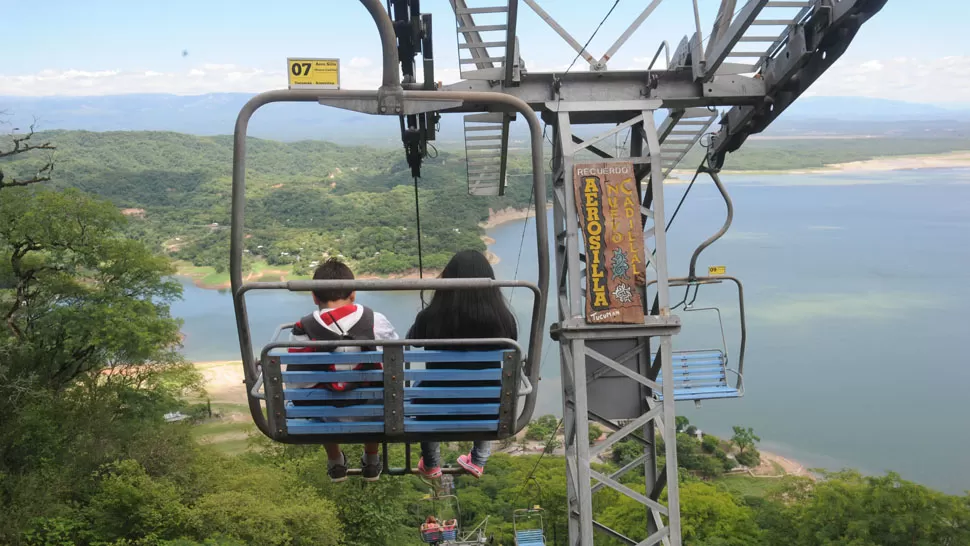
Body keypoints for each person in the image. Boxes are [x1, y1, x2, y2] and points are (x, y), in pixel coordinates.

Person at [407, 250, 517, 479]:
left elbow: (411, 340)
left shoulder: (431, 316)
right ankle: (478, 460)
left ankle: (431, 463)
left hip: (435, 405)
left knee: (423, 388)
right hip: (486, 406)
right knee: (490, 386)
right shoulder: (503, 318)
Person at [287, 258, 398, 482]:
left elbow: (297, 382)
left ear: (314, 296)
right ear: (353, 293)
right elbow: (395, 365)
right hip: (371, 409)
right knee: (380, 391)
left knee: (318, 398)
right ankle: (372, 458)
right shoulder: (377, 321)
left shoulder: (302, 328)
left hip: (326, 413)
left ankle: (335, 460)